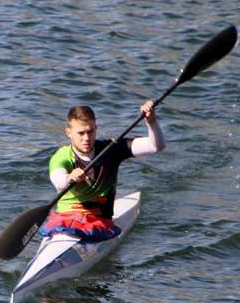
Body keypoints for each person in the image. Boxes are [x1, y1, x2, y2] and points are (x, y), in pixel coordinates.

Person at [39, 101, 166, 241]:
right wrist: (70, 177)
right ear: (68, 132)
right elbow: (58, 180)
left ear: (96, 128)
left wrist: (152, 121)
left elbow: (156, 146)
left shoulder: (110, 149)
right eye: (80, 133)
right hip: (66, 220)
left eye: (90, 131)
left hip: (99, 223)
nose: (86, 138)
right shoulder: (61, 156)